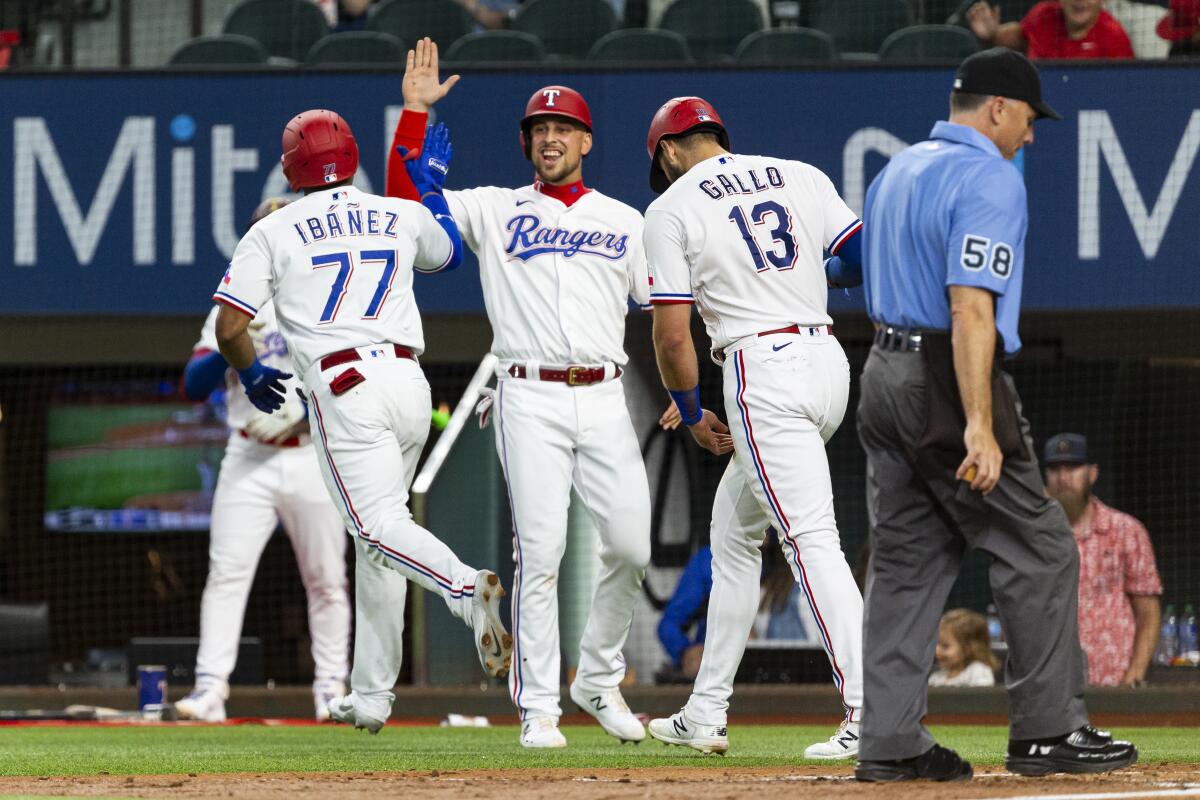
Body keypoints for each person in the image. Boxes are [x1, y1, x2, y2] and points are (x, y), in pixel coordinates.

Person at [855, 47, 1137, 781]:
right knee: (1041, 545)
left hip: (880, 371)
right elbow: (970, 307)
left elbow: (842, 265)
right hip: (944, 378)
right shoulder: (989, 176)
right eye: (1030, 120)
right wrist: (979, 423)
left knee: (905, 563)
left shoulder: (896, 170)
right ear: (998, 109)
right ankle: (1047, 732)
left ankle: (888, 742)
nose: (1033, 136)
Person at [210, 104, 512, 735]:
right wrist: (428, 186)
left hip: (345, 386)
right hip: (409, 382)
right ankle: (372, 694)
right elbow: (450, 254)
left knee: (375, 531)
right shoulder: (396, 212)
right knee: (383, 544)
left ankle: (462, 589)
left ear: (291, 166)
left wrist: (252, 371)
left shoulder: (273, 228)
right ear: (350, 157)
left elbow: (231, 326)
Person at [385, 40, 652, 749]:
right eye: (538, 128)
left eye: (562, 127)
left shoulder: (626, 221)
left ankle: (597, 676)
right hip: (527, 392)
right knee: (541, 551)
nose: (550, 137)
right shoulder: (495, 208)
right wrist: (413, 118)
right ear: (527, 142)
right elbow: (407, 212)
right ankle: (538, 707)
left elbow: (670, 305)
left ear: (587, 139)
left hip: (603, 394)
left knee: (633, 545)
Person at [641, 96, 866, 760]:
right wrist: (809, 280)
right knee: (734, 536)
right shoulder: (799, 172)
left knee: (809, 540)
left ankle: (872, 708)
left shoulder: (672, 206)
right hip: (827, 364)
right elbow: (857, 256)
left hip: (762, 369)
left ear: (668, 150)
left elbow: (672, 333)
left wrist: (686, 405)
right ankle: (705, 712)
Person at [174, 199, 351, 724]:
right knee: (227, 574)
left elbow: (350, 383)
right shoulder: (233, 308)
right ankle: (210, 690)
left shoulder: (327, 300)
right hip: (248, 454)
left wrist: (301, 418)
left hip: (310, 454)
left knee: (325, 578)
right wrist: (235, 344)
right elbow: (192, 384)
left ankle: (330, 690)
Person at [1043, 433, 1163, 686]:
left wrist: (1136, 673)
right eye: (1055, 469)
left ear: (1092, 473)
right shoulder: (1034, 535)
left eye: (1073, 467)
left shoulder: (1126, 531)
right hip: (1051, 683)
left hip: (1114, 679)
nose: (1063, 478)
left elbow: (1148, 613)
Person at [657, 534, 818, 680]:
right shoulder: (711, 561)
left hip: (772, 677)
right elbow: (669, 624)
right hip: (717, 671)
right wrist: (686, 652)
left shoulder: (789, 566)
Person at [967, 0, 1135, 58]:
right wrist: (993, 34)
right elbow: (1018, 38)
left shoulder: (1114, 37)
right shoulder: (1043, 15)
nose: (1079, 1)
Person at [929, 609, 998, 688]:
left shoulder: (979, 672)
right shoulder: (937, 678)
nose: (937, 651)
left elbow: (982, 698)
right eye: (936, 644)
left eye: (945, 646)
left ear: (969, 648)